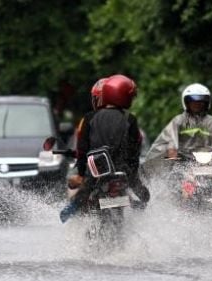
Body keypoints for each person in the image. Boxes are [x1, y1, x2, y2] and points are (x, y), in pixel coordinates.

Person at [60, 74, 150, 222]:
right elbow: (135, 153)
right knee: (145, 197)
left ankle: (75, 208)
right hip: (124, 172)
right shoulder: (130, 118)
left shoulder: (89, 118)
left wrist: (81, 174)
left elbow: (82, 151)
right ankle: (136, 206)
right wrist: (135, 180)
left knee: (79, 198)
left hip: (96, 173)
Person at [144, 83, 212, 162]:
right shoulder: (178, 121)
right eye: (193, 101)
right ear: (187, 103)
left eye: (200, 101)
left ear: (206, 103)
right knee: (172, 175)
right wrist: (172, 150)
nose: (197, 104)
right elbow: (168, 139)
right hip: (182, 164)